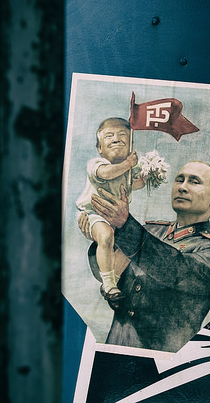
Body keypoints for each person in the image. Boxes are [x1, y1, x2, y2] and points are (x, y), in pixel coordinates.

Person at [79, 160, 210, 353]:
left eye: (194, 182)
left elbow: (177, 271)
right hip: (115, 347)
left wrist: (125, 226)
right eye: (179, 180)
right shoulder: (150, 231)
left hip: (163, 365)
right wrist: (103, 236)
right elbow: (113, 273)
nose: (182, 187)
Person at [76, 118, 145, 302]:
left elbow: (132, 185)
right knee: (105, 236)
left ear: (131, 145)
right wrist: (128, 164)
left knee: (133, 242)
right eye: (109, 136)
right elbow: (107, 174)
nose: (116, 138)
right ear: (100, 148)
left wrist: (145, 179)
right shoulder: (97, 164)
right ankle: (109, 283)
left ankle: (111, 281)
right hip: (93, 213)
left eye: (123, 136)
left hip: (115, 218)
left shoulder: (128, 171)